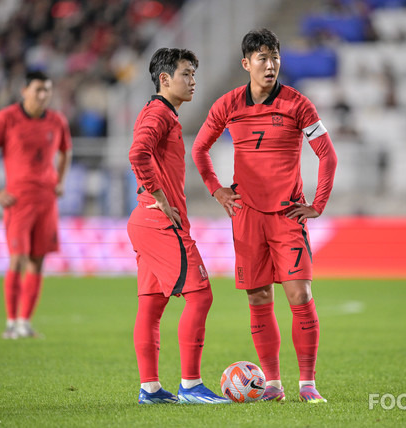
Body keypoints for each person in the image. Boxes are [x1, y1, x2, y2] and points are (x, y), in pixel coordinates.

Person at [192, 28, 338, 403]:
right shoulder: (227, 104)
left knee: (300, 294)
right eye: (262, 58)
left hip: (288, 215)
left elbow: (328, 154)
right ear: (246, 64)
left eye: (275, 57)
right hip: (247, 216)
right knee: (258, 298)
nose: (270, 64)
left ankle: (308, 384)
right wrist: (217, 189)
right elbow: (199, 149)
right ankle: (273, 383)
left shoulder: (298, 104)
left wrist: (318, 204)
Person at [127, 48, 229, 405]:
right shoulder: (159, 113)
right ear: (164, 79)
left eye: (194, 74)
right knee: (201, 295)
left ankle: (151, 389)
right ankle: (190, 385)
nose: (193, 81)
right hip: (158, 221)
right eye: (186, 74)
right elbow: (137, 152)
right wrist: (158, 194)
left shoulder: (161, 113)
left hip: (145, 220)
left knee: (152, 308)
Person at [0, 70, 72, 339]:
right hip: (18, 200)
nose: (43, 95)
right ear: (24, 90)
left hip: (46, 200)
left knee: (37, 261)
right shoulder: (6, 118)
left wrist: (60, 181)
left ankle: (24, 323)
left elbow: (66, 151)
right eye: (38, 90)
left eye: (47, 90)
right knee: (17, 259)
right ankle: (10, 323)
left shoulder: (57, 121)